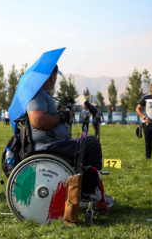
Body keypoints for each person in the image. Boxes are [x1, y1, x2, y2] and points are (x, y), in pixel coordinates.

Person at [26, 65, 113, 205]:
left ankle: (84, 188)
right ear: (51, 76)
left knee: (87, 143)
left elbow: (46, 115)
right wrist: (61, 116)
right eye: (55, 76)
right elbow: (38, 120)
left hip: (55, 142)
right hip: (50, 145)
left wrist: (62, 113)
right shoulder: (38, 95)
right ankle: (87, 193)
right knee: (92, 144)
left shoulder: (43, 93)